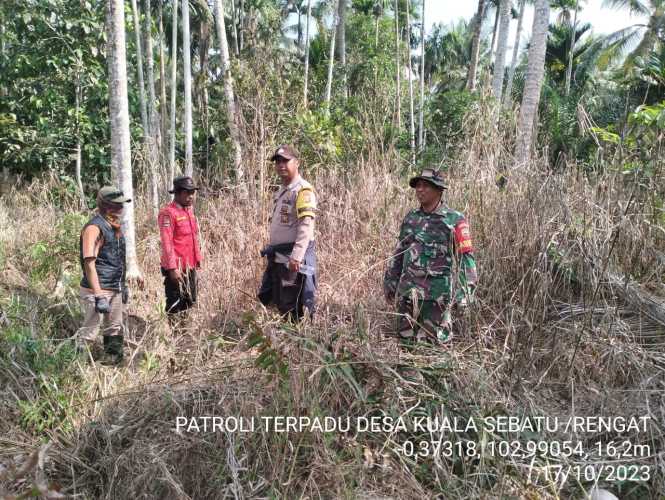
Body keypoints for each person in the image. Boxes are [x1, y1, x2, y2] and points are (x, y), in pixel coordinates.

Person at [384, 168, 478, 344]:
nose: (420, 190)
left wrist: (464, 293)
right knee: (406, 346)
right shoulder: (411, 218)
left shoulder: (454, 220)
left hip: (436, 298)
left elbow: (466, 258)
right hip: (408, 295)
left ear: (439, 190)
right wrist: (390, 281)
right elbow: (399, 251)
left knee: (434, 349)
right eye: (418, 186)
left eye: (426, 186)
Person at [258, 144, 317, 322]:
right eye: (277, 162)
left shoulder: (303, 190)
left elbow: (306, 225)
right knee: (280, 300)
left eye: (285, 161)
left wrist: (297, 256)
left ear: (297, 163)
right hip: (279, 257)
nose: (281, 165)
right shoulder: (283, 190)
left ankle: (296, 342)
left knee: (294, 303)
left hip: (292, 258)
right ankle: (286, 341)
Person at [77, 186, 132, 365]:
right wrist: (98, 294)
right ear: (107, 206)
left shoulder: (114, 226)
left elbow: (116, 261)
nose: (121, 209)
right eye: (117, 206)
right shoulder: (94, 228)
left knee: (114, 329)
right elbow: (89, 264)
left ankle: (112, 364)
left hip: (114, 288)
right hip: (98, 289)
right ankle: (76, 370)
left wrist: (121, 286)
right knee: (89, 332)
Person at [158, 176, 202, 321]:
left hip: (190, 266)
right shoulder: (168, 213)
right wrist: (172, 268)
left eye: (192, 193)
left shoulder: (189, 211)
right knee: (175, 304)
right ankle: (175, 336)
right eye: (187, 193)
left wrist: (198, 259)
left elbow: (193, 238)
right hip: (176, 269)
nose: (191, 197)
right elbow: (167, 242)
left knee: (190, 301)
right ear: (177, 193)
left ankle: (185, 335)